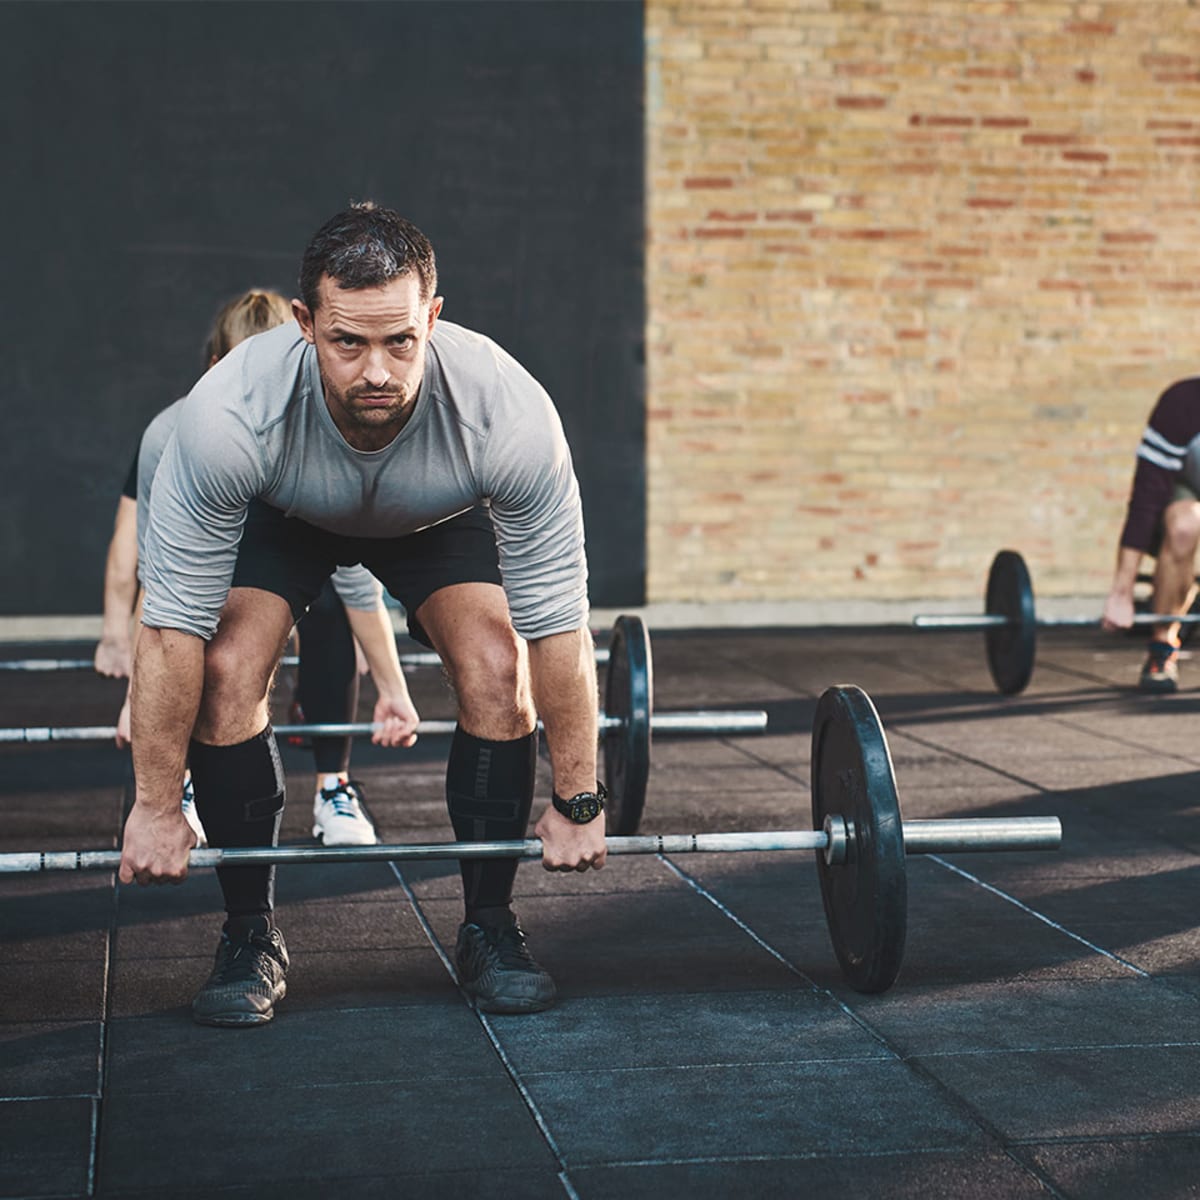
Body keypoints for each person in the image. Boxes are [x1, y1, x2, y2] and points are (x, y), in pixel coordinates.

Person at [119, 203, 606, 1029]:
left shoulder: (508, 416)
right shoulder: (228, 419)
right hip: (286, 511)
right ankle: (250, 935)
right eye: (349, 342)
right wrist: (158, 806)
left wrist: (578, 797)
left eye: (400, 341)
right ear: (305, 323)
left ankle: (489, 927)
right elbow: (171, 630)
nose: (376, 369)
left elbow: (558, 625)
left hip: (435, 518)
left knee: (498, 665)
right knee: (230, 670)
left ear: (433, 319)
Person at [102, 289, 403, 845]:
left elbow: (354, 575)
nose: (260, 396)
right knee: (204, 629)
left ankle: (334, 787)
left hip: (295, 571)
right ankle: (188, 782)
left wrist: (393, 688)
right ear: (215, 369)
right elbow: (161, 580)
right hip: (213, 576)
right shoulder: (171, 434)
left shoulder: (317, 427)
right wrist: (136, 700)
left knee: (333, 611)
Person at [1103, 377, 1200, 692]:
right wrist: (1122, 591)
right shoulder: (1183, 404)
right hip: (1188, 489)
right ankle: (1162, 645)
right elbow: (1147, 500)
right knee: (1185, 525)